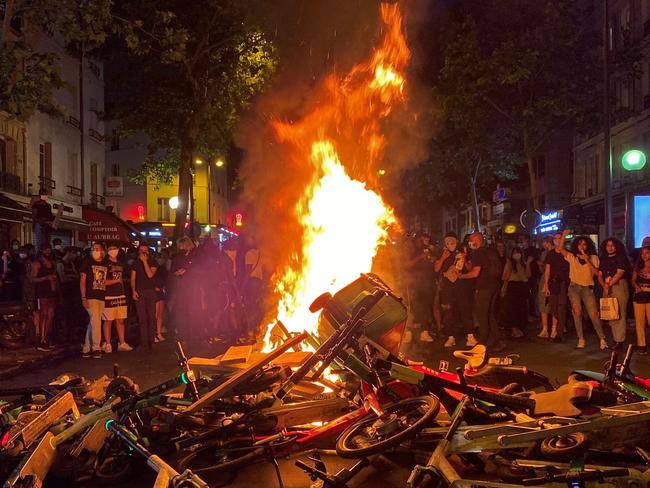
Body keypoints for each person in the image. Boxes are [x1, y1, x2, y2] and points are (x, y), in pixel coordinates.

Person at [555, 232, 607, 349]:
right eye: (580, 244)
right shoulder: (572, 257)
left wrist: (587, 260)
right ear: (576, 246)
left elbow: (596, 273)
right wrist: (563, 236)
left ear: (588, 245)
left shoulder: (593, 257)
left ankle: (602, 338)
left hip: (587, 287)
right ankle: (581, 338)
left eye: (584, 244)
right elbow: (560, 249)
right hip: (574, 287)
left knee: (593, 314)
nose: (582, 246)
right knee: (577, 312)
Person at [458, 233, 505, 352]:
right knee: (490, 315)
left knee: (482, 316)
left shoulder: (479, 253)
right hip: (495, 286)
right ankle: (497, 341)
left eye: (471, 240)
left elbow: (475, 273)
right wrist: (466, 259)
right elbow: (473, 268)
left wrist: (461, 276)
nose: (469, 242)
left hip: (484, 288)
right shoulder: (492, 251)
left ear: (477, 240)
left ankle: (483, 343)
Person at [435, 233, 477, 348]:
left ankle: (470, 336)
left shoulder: (463, 252)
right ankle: (451, 337)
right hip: (447, 288)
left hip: (462, 286)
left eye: (452, 241)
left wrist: (465, 258)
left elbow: (469, 268)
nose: (450, 244)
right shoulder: (442, 253)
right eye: (447, 242)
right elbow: (436, 268)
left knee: (465, 310)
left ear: (456, 241)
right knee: (448, 312)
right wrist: (443, 258)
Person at [599, 237, 631, 350]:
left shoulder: (621, 258)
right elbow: (599, 274)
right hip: (607, 287)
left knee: (620, 314)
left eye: (612, 245)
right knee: (611, 313)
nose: (610, 247)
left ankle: (620, 340)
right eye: (608, 245)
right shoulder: (603, 259)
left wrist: (609, 284)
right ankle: (615, 338)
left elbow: (619, 273)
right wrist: (604, 285)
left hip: (618, 286)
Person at [405, 233, 436, 342]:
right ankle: (408, 333)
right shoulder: (410, 250)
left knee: (425, 308)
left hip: (426, 283)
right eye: (421, 239)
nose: (423, 241)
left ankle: (425, 332)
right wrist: (420, 257)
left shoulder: (427, 249)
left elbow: (431, 264)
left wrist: (431, 260)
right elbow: (407, 265)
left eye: (425, 239)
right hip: (414, 284)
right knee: (412, 308)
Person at [102, 244, 133, 352]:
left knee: (120, 320)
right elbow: (102, 282)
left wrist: (123, 291)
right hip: (109, 295)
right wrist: (116, 281)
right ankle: (108, 343)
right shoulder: (104, 264)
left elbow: (122, 281)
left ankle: (122, 342)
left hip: (120, 295)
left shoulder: (121, 264)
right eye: (110, 249)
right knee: (108, 320)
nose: (113, 251)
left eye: (115, 249)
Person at [80, 242, 108, 358]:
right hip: (90, 296)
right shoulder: (87, 262)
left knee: (94, 322)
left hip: (101, 295)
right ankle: (96, 347)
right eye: (93, 249)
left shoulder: (104, 263)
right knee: (96, 321)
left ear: (102, 251)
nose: (95, 251)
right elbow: (82, 281)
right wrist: (83, 297)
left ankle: (87, 347)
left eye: (98, 249)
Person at [131, 242, 158, 348]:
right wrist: (133, 290)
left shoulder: (153, 262)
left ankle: (152, 340)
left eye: (145, 250)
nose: (143, 252)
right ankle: (144, 342)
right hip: (140, 291)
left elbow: (150, 275)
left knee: (151, 316)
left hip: (150, 291)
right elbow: (133, 278)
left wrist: (145, 262)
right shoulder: (135, 263)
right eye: (141, 251)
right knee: (141, 317)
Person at [500, 246, 532, 338]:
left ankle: (520, 327)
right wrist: (504, 288)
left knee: (521, 308)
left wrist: (528, 263)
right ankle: (514, 329)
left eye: (518, 253)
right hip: (513, 286)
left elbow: (528, 275)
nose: (516, 255)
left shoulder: (524, 263)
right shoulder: (510, 263)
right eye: (514, 253)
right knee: (512, 308)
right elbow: (505, 276)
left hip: (522, 286)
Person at [31, 243, 58, 351]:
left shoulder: (52, 263)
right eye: (45, 249)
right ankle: (41, 340)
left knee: (50, 315)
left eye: (49, 249)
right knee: (43, 315)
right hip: (42, 292)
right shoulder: (37, 263)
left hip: (52, 292)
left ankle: (46, 338)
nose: (48, 251)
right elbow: (32, 279)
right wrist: (46, 278)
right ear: (41, 250)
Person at [543, 232, 570, 341]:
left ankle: (559, 332)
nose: (558, 240)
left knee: (561, 307)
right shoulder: (550, 254)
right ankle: (561, 325)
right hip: (553, 283)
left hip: (563, 282)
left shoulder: (566, 253)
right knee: (553, 307)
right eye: (556, 238)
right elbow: (547, 271)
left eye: (560, 238)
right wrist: (546, 285)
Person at [56, 246, 82, 341]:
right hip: (63, 293)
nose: (75, 256)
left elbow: (77, 276)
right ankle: (62, 336)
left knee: (72, 314)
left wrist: (72, 277)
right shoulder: (60, 264)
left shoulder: (71, 264)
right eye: (74, 253)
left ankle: (71, 335)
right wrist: (72, 277)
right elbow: (62, 279)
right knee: (63, 315)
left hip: (72, 293)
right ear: (69, 253)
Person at [632, 246, 650, 354]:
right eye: (642, 253)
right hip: (640, 293)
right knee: (639, 321)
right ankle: (641, 345)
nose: (644, 255)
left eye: (647, 253)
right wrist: (637, 287)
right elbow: (633, 280)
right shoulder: (638, 266)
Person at [154, 249, 169, 342]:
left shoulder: (164, 269)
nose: (160, 260)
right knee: (155, 314)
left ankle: (159, 333)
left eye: (161, 258)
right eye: (158, 258)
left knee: (160, 314)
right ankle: (154, 333)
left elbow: (166, 280)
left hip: (161, 292)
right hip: (155, 292)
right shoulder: (153, 269)